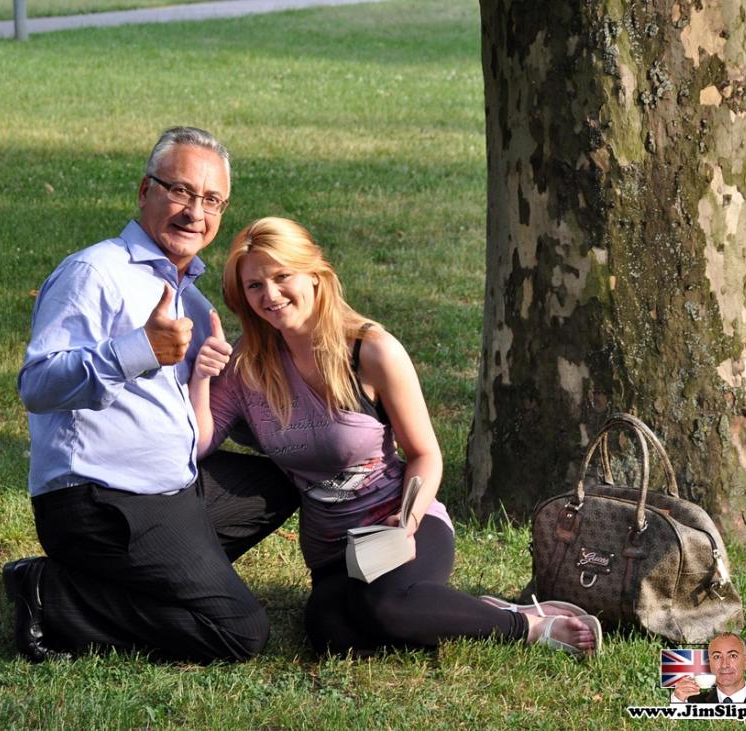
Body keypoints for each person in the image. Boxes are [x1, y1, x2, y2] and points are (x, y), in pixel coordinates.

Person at [188, 216, 602, 658]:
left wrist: (409, 519)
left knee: (387, 608)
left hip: (398, 526)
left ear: (314, 274)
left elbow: (425, 454)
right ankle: (454, 609)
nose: (270, 295)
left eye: (282, 276)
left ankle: (528, 624)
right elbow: (198, 444)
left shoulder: (370, 351)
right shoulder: (248, 366)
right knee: (334, 637)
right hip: (333, 550)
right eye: (254, 286)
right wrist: (201, 378)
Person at [5, 128, 298, 664]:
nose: (195, 213)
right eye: (180, 191)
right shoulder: (95, 273)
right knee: (239, 631)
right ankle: (52, 594)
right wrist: (137, 349)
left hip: (172, 489)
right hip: (101, 502)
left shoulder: (194, 300)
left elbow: (215, 414)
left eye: (212, 200)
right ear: (145, 191)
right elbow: (38, 385)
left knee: (277, 484)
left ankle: (132, 581)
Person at [672, 633, 746, 704]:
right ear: (709, 664)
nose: (724, 665)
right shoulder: (692, 702)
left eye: (732, 656)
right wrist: (677, 700)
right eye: (717, 657)